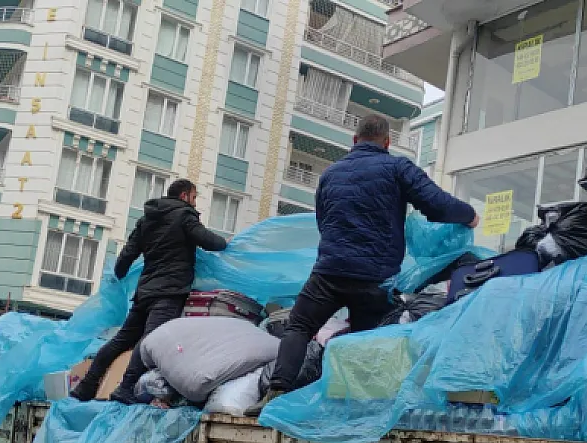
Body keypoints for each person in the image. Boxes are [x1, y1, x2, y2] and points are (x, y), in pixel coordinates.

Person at [247, 114, 480, 416]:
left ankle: (276, 391)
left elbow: (324, 220)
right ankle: (364, 408)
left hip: (328, 272)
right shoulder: (397, 167)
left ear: (355, 140)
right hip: (373, 278)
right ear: (387, 142)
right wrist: (469, 215)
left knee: (300, 327)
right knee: (369, 339)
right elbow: (436, 204)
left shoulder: (330, 174)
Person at [71, 179, 227, 404]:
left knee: (121, 340)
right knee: (149, 342)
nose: (195, 202)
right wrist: (225, 243)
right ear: (184, 196)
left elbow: (126, 255)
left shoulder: (147, 219)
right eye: (194, 197)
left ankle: (85, 387)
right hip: (170, 292)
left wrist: (119, 276)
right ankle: (125, 387)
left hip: (144, 292)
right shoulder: (184, 215)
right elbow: (208, 241)